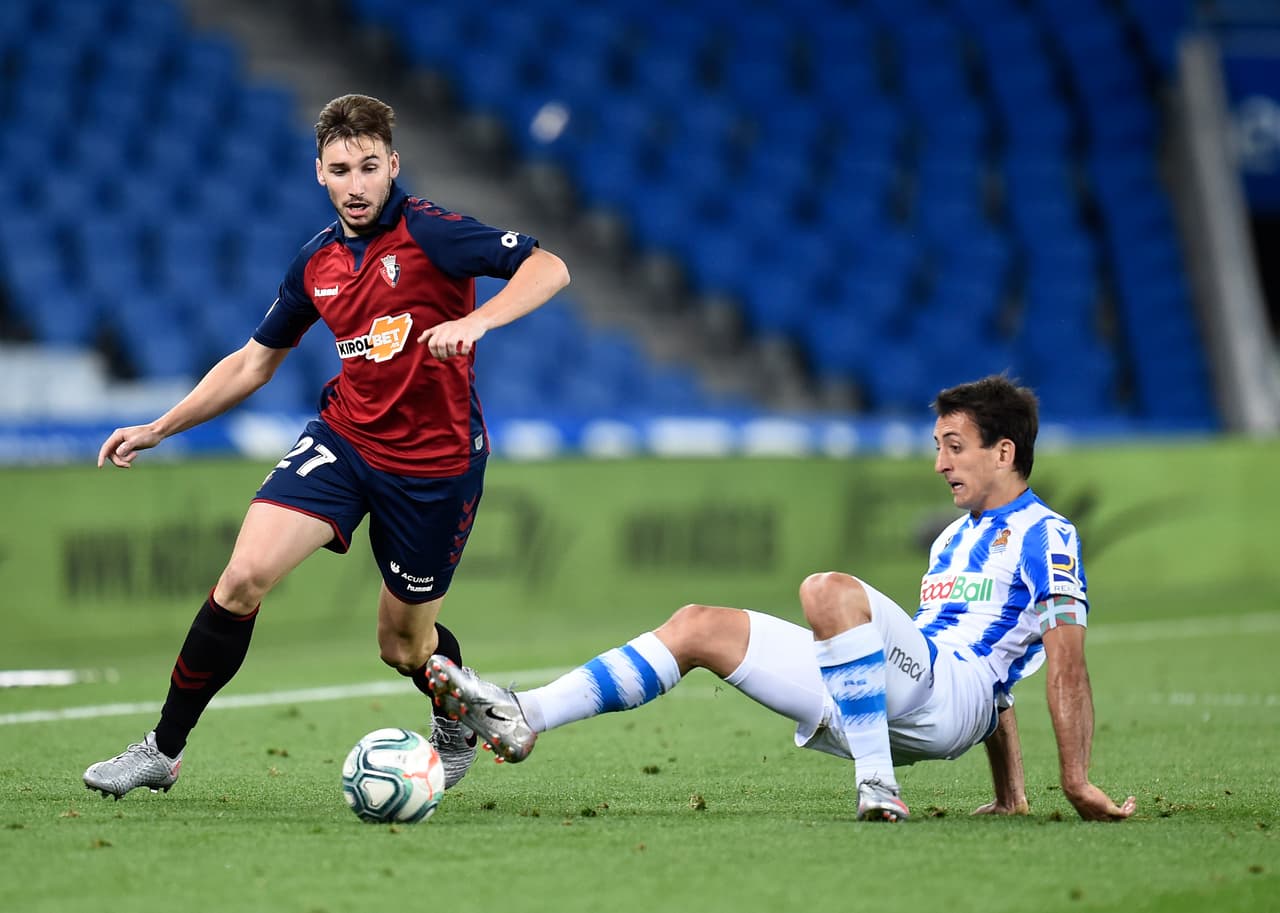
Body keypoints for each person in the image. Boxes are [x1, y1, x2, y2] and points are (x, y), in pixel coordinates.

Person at [82, 93, 570, 799]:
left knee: (402, 645)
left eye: (371, 166)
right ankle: (162, 748)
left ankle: (454, 720)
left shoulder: (432, 232)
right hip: (344, 440)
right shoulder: (317, 261)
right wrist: (160, 426)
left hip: (434, 468)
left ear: (393, 164)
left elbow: (548, 266)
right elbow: (254, 361)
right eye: (341, 168)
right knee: (242, 575)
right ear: (320, 172)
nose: (357, 183)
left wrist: (481, 320)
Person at [427, 375, 1137, 823]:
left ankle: (878, 785)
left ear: (1004, 452)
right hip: (894, 692)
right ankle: (527, 717)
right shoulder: (954, 539)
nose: (939, 461)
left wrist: (1074, 780)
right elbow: (978, 659)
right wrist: (1011, 791)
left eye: (953, 445)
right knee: (697, 624)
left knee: (826, 589)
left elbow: (1054, 665)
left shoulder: (1049, 535)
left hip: (945, 701)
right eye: (937, 444)